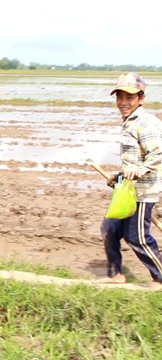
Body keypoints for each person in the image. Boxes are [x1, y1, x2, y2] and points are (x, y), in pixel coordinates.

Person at [97, 72, 162, 291]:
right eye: (120, 97)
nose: (123, 103)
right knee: (110, 229)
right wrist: (119, 176)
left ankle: (160, 278)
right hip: (127, 189)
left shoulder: (145, 122)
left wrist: (140, 170)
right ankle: (116, 275)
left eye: (129, 98)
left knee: (138, 238)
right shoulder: (129, 122)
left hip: (143, 190)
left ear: (141, 98)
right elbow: (133, 160)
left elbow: (158, 154)